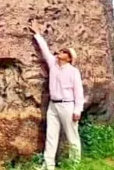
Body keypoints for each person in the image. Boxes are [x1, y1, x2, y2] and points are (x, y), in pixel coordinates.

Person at [30, 22, 84, 170]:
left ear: (69, 58)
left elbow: (79, 92)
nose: (60, 51)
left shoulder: (73, 72)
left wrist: (77, 110)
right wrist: (37, 34)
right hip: (53, 105)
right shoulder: (53, 64)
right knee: (51, 135)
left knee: (72, 136)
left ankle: (74, 165)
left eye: (65, 51)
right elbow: (45, 50)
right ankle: (48, 165)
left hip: (68, 105)